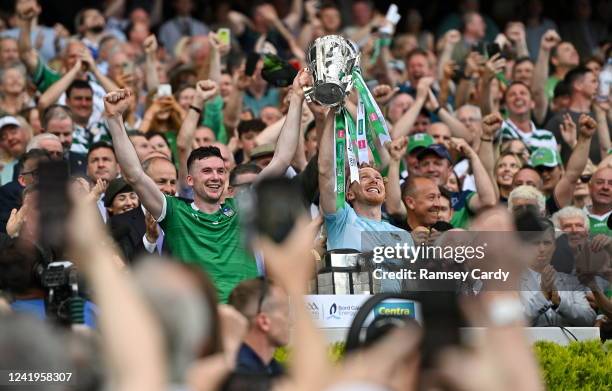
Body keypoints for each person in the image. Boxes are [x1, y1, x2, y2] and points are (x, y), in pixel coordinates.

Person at [103, 70, 310, 302]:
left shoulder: (244, 206)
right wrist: (114, 120)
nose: (216, 177)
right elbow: (135, 174)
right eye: (207, 171)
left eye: (221, 171)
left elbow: (281, 158)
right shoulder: (174, 211)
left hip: (248, 313)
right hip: (204, 318)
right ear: (189, 180)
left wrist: (298, 99)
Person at [519, 218, 596, 327]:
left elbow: (589, 320)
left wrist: (560, 302)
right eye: (535, 243)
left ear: (554, 246)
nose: (541, 249)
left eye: (547, 243)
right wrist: (542, 297)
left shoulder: (572, 281)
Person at [228, 278, 288, 376]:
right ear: (264, 322)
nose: (290, 321)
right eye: (285, 314)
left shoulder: (272, 367)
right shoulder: (241, 375)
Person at [498, 82, 558, 152]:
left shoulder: (548, 137)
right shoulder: (499, 129)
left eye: (523, 93)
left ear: (532, 103)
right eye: (512, 95)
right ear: (505, 105)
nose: (518, 97)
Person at [41, 104, 87, 174]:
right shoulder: (29, 164)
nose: (62, 140)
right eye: (56, 134)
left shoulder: (85, 164)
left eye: (66, 134)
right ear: (43, 133)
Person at [0, 116, 30, 185]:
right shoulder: (3, 171)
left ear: (25, 132)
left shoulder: (42, 152)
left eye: (13, 132)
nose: (10, 138)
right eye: (3, 137)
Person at [586, 166, 612, 235]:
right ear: (589, 187)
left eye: (611, 184)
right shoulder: (576, 216)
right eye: (599, 182)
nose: (605, 187)